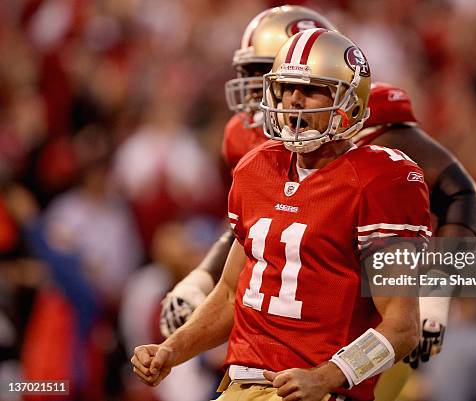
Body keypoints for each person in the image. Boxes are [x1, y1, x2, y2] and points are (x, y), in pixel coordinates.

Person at [160, 4, 476, 366]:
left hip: (366, 320)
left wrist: (434, 294)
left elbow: (462, 196)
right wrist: (201, 279)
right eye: (271, 80)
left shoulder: (374, 124)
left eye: (264, 71)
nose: (277, 97)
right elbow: (259, 229)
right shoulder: (246, 137)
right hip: (287, 330)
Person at [133, 30, 429, 401]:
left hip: (317, 392)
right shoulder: (257, 167)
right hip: (239, 386)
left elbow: (403, 328)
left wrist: (325, 377)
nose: (294, 100)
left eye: (310, 89)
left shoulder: (381, 180)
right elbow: (229, 295)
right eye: (287, 87)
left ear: (349, 101)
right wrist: (172, 350)